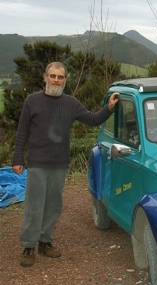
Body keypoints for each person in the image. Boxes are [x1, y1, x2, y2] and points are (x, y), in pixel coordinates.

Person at [12, 61, 119, 267]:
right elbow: (22, 132)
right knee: (35, 206)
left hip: (59, 164)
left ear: (65, 80)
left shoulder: (71, 103)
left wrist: (109, 108)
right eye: (52, 76)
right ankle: (28, 246)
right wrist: (18, 159)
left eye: (60, 77)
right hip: (37, 163)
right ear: (45, 77)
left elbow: (93, 119)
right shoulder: (32, 101)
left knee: (53, 205)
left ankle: (45, 241)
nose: (56, 80)